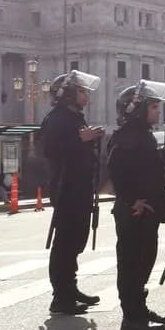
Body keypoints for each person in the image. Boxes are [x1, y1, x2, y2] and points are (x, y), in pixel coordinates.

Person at [108, 80, 165, 330]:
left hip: (147, 210)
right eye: (154, 107)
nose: (159, 112)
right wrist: (130, 199)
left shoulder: (143, 134)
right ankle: (132, 319)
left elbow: (150, 173)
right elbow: (115, 170)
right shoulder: (126, 136)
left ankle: (139, 309)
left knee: (144, 261)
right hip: (133, 211)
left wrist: (162, 196)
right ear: (136, 109)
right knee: (132, 264)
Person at [41, 69, 104, 315]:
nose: (86, 95)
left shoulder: (76, 117)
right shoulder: (56, 118)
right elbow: (51, 150)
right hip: (66, 186)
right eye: (81, 91)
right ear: (67, 94)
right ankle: (61, 296)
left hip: (80, 186)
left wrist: (90, 137)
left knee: (77, 240)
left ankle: (71, 287)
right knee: (65, 243)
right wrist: (81, 139)